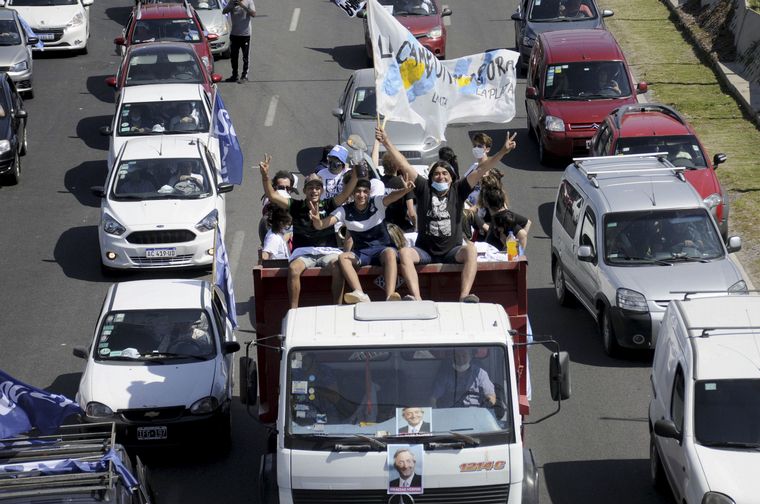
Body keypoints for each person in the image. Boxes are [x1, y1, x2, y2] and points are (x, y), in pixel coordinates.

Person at [377, 126, 518, 302]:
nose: (440, 177)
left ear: (452, 177)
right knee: (404, 253)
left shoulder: (459, 190)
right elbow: (404, 164)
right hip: (425, 251)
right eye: (436, 174)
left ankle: (464, 295)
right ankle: (417, 298)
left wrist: (502, 152)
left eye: (445, 174)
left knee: (471, 250)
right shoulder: (423, 188)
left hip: (452, 251)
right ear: (430, 177)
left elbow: (482, 169)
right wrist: (386, 142)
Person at [259, 154, 358, 308]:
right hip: (304, 253)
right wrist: (265, 176)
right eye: (311, 187)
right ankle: (294, 310)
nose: (314, 190)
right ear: (305, 190)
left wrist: (357, 173)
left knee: (338, 267)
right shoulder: (296, 205)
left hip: (327, 251)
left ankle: (337, 308)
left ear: (322, 190)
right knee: (293, 268)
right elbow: (272, 195)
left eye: (317, 187)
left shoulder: (329, 204)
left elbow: (346, 193)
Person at [309, 177, 415, 303]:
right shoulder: (344, 210)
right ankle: (360, 294)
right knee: (343, 257)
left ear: (369, 193)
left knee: (390, 253)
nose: (361, 195)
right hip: (362, 252)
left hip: (382, 249)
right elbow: (322, 225)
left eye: (365, 191)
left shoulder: (376, 202)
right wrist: (317, 221)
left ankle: (390, 295)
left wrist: (405, 190)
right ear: (353, 193)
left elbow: (392, 196)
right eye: (358, 191)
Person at [432, 348, 497, 408]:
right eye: (457, 356)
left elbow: (491, 396)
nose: (461, 360)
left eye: (464, 356)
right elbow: (433, 398)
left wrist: (487, 406)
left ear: (470, 357)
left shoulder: (480, 373)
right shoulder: (445, 374)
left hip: (475, 413)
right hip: (450, 413)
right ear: (452, 357)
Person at [380, 152, 416, 232]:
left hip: (384, 228)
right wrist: (416, 228)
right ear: (398, 166)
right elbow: (411, 213)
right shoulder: (405, 184)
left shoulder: (379, 182)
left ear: (383, 165)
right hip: (402, 228)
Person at [223, 0, 256, 83]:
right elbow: (224, 11)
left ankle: (244, 76)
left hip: (245, 34)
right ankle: (234, 75)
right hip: (234, 34)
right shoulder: (232, 2)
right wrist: (232, 6)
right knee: (234, 56)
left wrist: (242, 6)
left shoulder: (249, 1)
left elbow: (253, 14)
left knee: (245, 57)